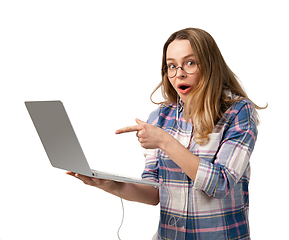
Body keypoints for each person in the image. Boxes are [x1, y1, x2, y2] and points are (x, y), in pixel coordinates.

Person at [67, 28, 266, 240]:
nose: (179, 73)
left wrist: (164, 141)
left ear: (210, 64)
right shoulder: (160, 117)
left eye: (190, 63)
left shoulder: (238, 112)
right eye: (172, 65)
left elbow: (220, 184)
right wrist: (108, 184)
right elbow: (154, 192)